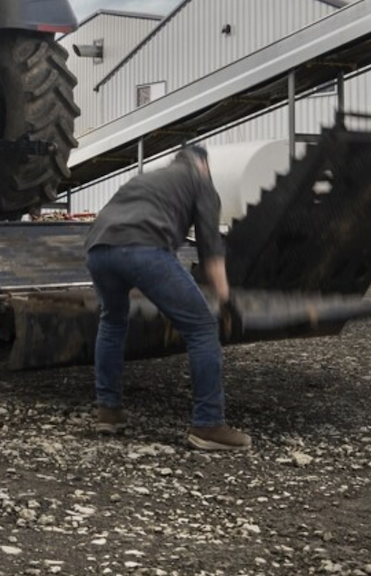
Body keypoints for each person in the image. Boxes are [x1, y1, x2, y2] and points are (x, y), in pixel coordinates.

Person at [84, 144, 251, 451]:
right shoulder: (201, 182)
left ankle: (109, 411)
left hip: (98, 248)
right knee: (201, 328)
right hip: (144, 247)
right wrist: (226, 298)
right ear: (203, 165)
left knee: (113, 320)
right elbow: (211, 247)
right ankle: (209, 424)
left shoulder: (147, 178)